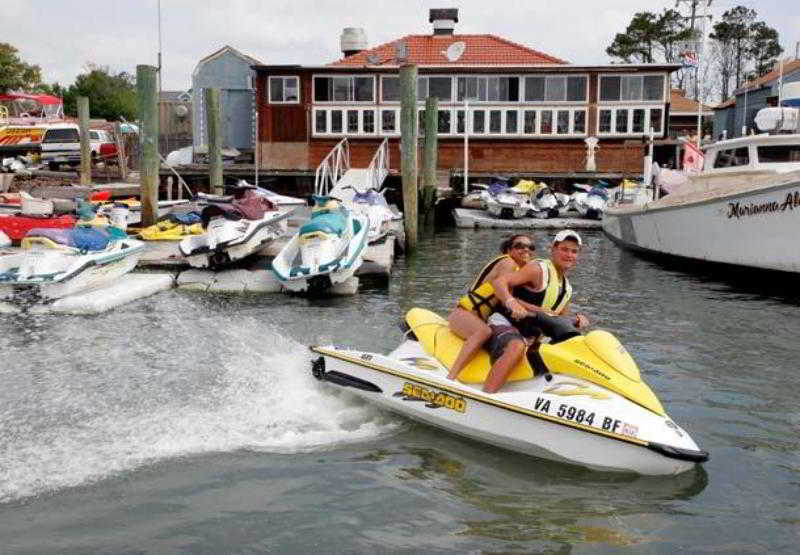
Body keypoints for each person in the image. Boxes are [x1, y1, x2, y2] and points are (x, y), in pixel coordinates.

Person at [483, 229, 589, 393]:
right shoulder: (538, 270)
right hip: (504, 323)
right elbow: (499, 282)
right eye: (564, 249)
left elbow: (558, 318)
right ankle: (487, 395)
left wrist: (578, 319)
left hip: (530, 335)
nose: (569, 255)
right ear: (553, 249)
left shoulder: (566, 288)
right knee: (516, 347)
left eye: (574, 251)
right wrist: (511, 302)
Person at [446, 234, 535, 380]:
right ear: (508, 250)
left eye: (530, 247)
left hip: (474, 317)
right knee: (484, 332)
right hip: (462, 313)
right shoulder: (508, 263)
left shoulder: (518, 272)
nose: (526, 249)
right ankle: (451, 377)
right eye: (519, 246)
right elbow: (505, 298)